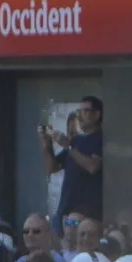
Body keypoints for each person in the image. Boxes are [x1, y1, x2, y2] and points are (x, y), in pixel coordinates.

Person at [41, 97, 103, 227]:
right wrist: (47, 145)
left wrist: (68, 146)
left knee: (76, 239)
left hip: (86, 215)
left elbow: (93, 166)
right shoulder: (77, 141)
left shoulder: (100, 139)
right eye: (79, 111)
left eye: (84, 111)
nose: (79, 116)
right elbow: (52, 168)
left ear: (97, 114)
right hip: (63, 212)